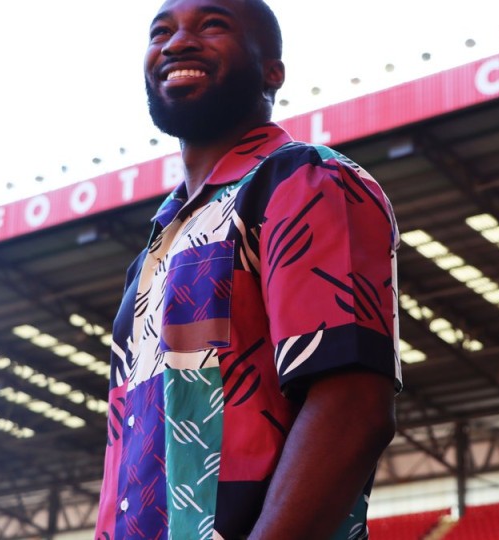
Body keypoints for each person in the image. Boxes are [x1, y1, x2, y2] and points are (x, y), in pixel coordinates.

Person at [95, 0, 402, 538]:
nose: (176, 43)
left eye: (212, 25)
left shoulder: (303, 182)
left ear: (272, 71)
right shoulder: (151, 254)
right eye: (160, 31)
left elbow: (353, 406)